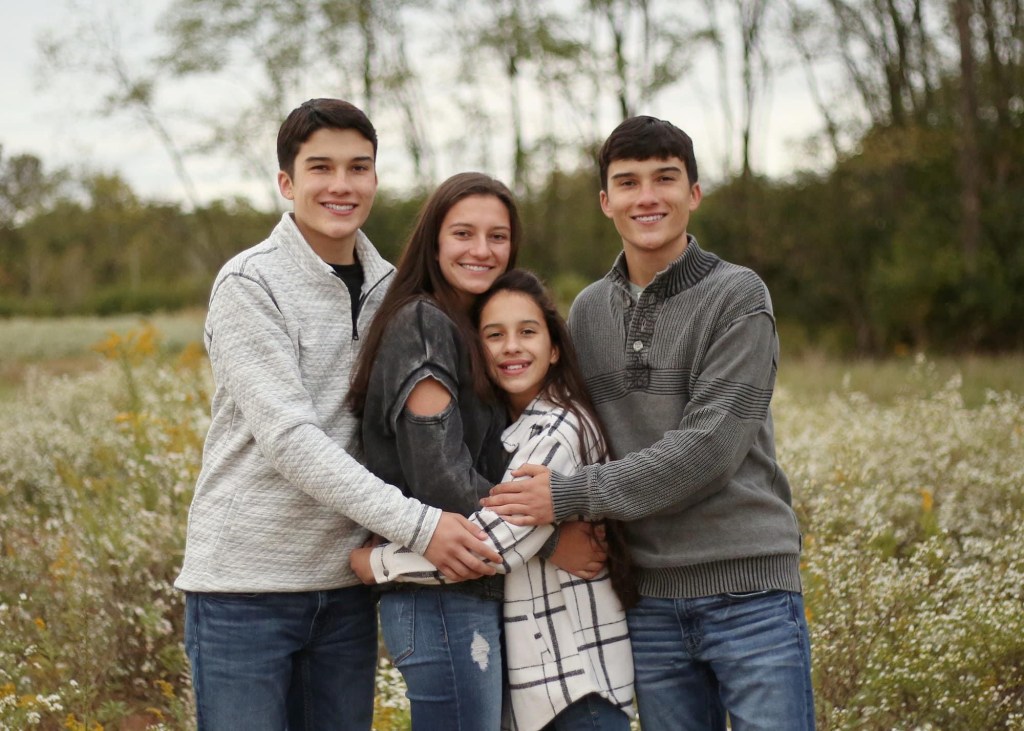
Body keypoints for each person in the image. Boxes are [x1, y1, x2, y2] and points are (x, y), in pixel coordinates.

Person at [174, 99, 501, 731]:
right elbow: (290, 439)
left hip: (346, 589)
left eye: (359, 167)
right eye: (321, 168)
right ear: (287, 182)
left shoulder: (394, 290)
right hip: (245, 589)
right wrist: (420, 526)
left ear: (375, 179)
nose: (342, 185)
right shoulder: (250, 284)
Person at [482, 116, 816, 731]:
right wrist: (551, 531)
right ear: (606, 201)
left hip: (749, 593)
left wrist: (566, 498)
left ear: (694, 193)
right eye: (628, 182)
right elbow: (560, 428)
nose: (647, 197)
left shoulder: (738, 296)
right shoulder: (589, 312)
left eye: (665, 178)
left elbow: (710, 449)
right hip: (647, 603)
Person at [346, 175, 603, 730]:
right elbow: (441, 479)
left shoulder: (467, 328)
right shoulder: (424, 322)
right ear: (434, 241)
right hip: (441, 597)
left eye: (498, 236)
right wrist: (550, 538)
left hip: (465, 587)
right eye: (463, 233)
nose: (482, 250)